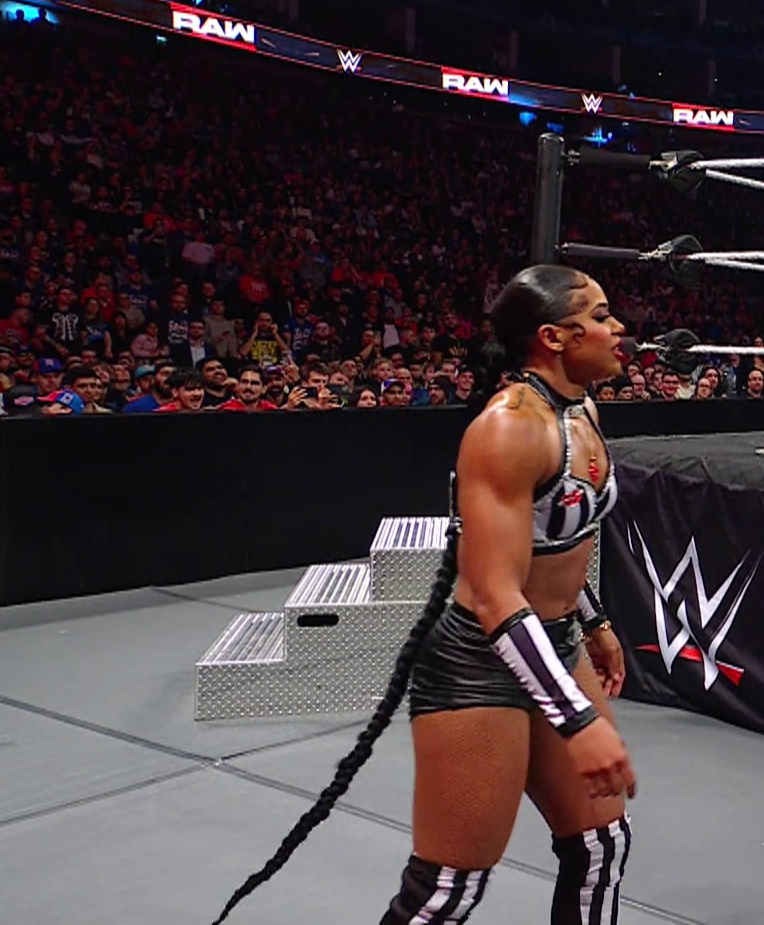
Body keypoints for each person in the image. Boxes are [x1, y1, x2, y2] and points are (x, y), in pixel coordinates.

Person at [211, 265, 638, 925]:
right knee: (446, 890)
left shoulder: (581, 410)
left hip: (556, 641)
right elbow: (495, 594)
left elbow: (552, 541)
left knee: (601, 845)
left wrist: (594, 620)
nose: (619, 330)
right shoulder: (509, 429)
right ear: (555, 337)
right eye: (602, 316)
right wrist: (577, 721)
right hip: (480, 662)